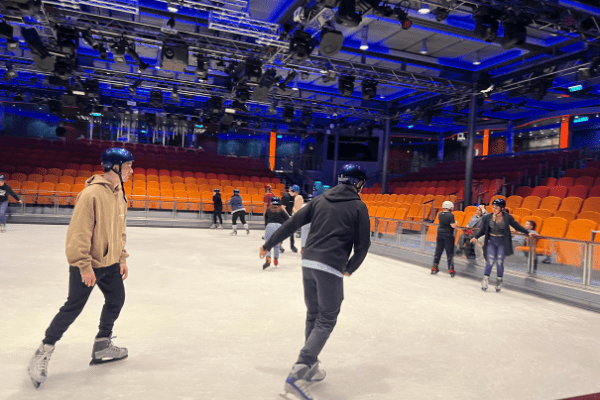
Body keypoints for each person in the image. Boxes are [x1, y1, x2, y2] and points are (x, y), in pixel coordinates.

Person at [259, 164, 370, 400]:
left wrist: (268, 245)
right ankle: (299, 373)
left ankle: (312, 368)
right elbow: (363, 245)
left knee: (313, 315)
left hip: (308, 263)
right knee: (326, 319)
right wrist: (349, 268)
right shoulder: (359, 206)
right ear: (358, 184)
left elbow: (291, 224)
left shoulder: (319, 200)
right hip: (330, 265)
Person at [28, 148, 133, 389]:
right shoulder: (91, 194)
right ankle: (43, 352)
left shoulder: (120, 194)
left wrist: (122, 257)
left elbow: (120, 230)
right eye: (128, 166)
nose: (131, 171)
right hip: (88, 265)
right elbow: (78, 234)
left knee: (116, 300)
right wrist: (85, 266)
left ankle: (102, 345)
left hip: (111, 263)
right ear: (114, 167)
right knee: (72, 308)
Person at [471, 198, 535, 292]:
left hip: (502, 242)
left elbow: (517, 226)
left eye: (496, 208)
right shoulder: (488, 217)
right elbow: (483, 230)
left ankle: (499, 280)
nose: (494, 209)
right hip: (491, 241)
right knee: (490, 260)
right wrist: (476, 237)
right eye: (493, 207)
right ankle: (485, 279)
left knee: (500, 261)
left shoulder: (507, 218)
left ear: (502, 208)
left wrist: (527, 232)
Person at [431, 201, 458, 277]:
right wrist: (456, 223)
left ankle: (434, 267)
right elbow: (452, 225)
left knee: (438, 251)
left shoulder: (440, 214)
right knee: (449, 252)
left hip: (440, 234)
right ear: (450, 207)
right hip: (448, 235)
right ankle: (451, 269)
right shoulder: (451, 215)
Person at [262, 196, 289, 270]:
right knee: (277, 245)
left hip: (269, 226)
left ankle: (268, 258)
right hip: (279, 227)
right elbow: (288, 219)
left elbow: (266, 220)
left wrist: (266, 229)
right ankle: (276, 259)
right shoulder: (281, 210)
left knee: (268, 243)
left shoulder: (268, 210)